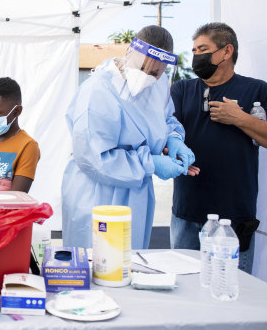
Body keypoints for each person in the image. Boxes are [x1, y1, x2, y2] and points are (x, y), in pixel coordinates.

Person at [61, 25, 198, 250]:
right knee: (96, 262)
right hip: (97, 190)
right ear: (129, 54)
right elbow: (93, 158)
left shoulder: (160, 84)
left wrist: (173, 138)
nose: (147, 76)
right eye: (142, 67)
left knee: (130, 262)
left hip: (136, 190)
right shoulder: (97, 91)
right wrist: (150, 163)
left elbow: (167, 118)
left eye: (156, 72)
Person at [170, 22, 267, 273]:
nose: (196, 56)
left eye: (202, 48)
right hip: (187, 211)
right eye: (193, 50)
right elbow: (166, 138)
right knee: (185, 287)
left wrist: (240, 118)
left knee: (232, 290)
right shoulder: (181, 89)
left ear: (226, 51)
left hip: (233, 215)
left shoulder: (256, 89)